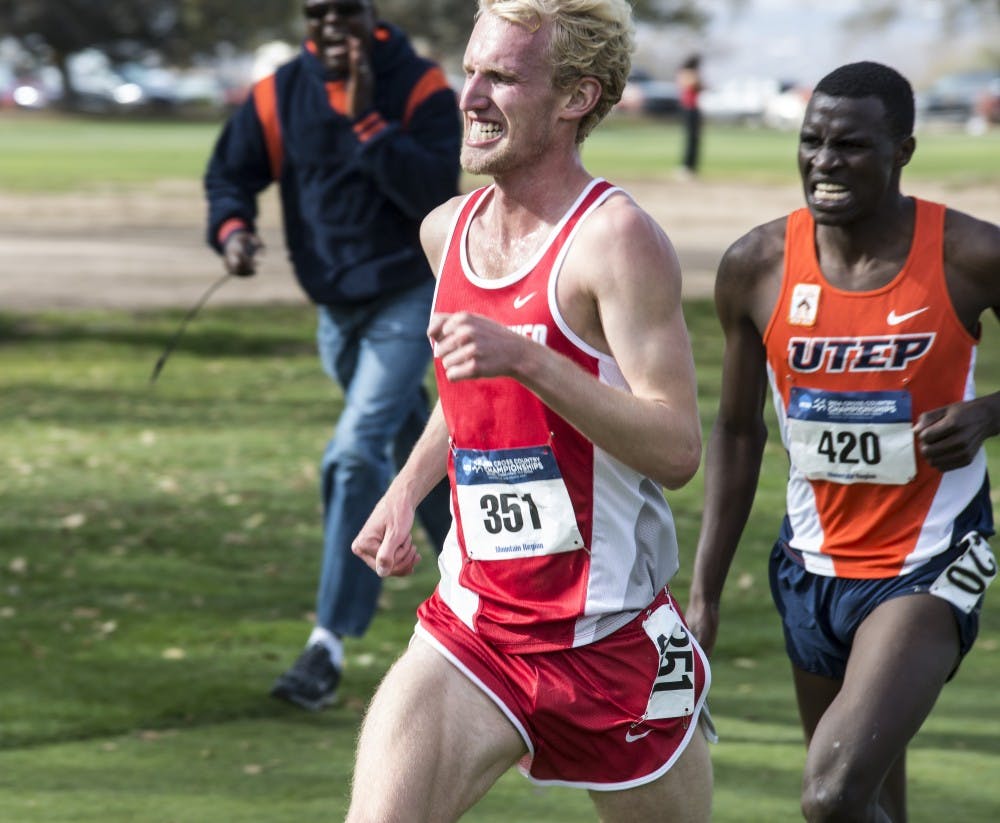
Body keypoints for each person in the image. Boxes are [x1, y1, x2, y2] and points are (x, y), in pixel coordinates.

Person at [344, 1, 714, 820]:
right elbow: (469, 392)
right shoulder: (447, 231)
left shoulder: (616, 241)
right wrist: (406, 490)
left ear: (577, 97)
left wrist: (532, 359)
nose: (470, 96)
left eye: (502, 77)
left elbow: (677, 445)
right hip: (473, 627)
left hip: (611, 640)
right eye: (470, 70)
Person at [687, 60, 999, 822]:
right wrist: (704, 593)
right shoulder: (756, 265)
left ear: (904, 151)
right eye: (813, 141)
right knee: (868, 803)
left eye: (852, 145)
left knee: (830, 795)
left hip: (931, 560)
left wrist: (989, 413)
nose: (824, 162)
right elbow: (735, 429)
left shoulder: (969, 255)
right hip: (810, 566)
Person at [203, 0, 461, 711]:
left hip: (409, 298)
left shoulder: (418, 86)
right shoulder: (277, 93)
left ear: (370, 14)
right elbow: (230, 173)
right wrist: (232, 231)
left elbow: (440, 191)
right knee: (411, 447)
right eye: (319, 12)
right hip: (334, 310)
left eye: (347, 11)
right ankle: (479, 586)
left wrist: (369, 120)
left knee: (355, 452)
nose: (332, 25)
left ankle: (327, 644)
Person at [676, 54, 703, 178]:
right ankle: (687, 166)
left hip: (693, 107)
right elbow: (696, 85)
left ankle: (692, 166)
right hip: (689, 107)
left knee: (695, 139)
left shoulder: (686, 72)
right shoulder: (687, 72)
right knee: (691, 138)